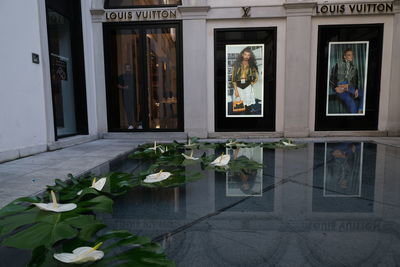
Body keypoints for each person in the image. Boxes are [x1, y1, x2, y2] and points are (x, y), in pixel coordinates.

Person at [329, 48, 364, 114]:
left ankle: (360, 112)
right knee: (351, 103)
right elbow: (331, 78)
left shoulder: (354, 67)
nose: (351, 56)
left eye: (352, 55)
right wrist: (335, 88)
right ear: (344, 56)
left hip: (349, 87)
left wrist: (356, 89)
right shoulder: (337, 65)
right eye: (349, 55)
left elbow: (355, 80)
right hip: (340, 87)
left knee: (364, 94)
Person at [231, 47, 259, 113]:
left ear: (250, 56)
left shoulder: (252, 65)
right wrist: (236, 90)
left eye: (248, 55)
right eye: (245, 54)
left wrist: (252, 82)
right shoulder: (236, 65)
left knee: (248, 106)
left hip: (248, 86)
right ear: (242, 55)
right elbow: (233, 78)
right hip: (238, 86)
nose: (246, 56)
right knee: (238, 106)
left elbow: (256, 75)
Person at [117, 64, 141, 129]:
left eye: (129, 68)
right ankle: (130, 124)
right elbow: (117, 85)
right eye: (127, 68)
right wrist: (124, 87)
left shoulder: (133, 76)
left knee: (135, 109)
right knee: (128, 110)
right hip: (126, 96)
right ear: (125, 69)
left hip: (133, 95)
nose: (128, 69)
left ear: (130, 69)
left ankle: (138, 123)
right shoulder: (121, 76)